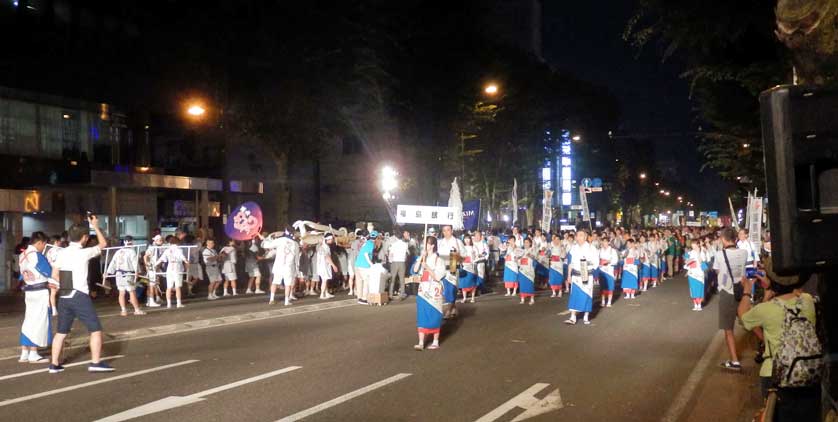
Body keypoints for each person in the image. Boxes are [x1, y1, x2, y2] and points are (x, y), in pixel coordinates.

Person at [738, 258, 820, 421]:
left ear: (771, 281)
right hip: (809, 373)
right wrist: (774, 285)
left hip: (775, 374)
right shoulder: (808, 301)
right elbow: (795, 295)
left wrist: (748, 289)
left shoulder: (766, 309)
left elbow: (743, 316)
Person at [49, 216, 114, 373]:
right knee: (95, 329)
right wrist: (95, 226)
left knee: (61, 332)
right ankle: (96, 363)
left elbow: (54, 274)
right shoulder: (84, 252)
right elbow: (103, 244)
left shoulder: (61, 253)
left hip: (64, 295)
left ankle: (54, 364)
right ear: (85, 238)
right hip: (79, 296)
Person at [714, 227, 749, 371]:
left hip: (727, 292)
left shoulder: (719, 254)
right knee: (749, 321)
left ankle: (734, 361)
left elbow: (717, 271)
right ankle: (767, 348)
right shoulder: (744, 253)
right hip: (742, 291)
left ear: (723, 239)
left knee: (728, 329)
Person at [18, 231, 55, 363]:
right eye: (44, 244)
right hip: (40, 292)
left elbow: (21, 276)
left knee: (28, 321)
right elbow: (50, 272)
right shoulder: (37, 255)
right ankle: (33, 353)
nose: (44, 247)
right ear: (39, 242)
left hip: (29, 291)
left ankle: (24, 353)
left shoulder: (22, 255)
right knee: (39, 322)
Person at [413, 236, 446, 351]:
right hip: (423, 290)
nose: (425, 246)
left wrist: (427, 268)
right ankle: (421, 342)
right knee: (422, 314)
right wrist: (421, 258)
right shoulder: (423, 257)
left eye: (427, 244)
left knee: (434, 314)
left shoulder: (439, 260)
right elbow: (415, 270)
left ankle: (435, 341)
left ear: (432, 245)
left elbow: (438, 276)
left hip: (434, 291)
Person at [565, 231, 599, 325]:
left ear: (585, 237)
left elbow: (596, 263)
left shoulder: (591, 248)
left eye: (581, 235)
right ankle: (572, 317)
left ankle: (586, 316)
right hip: (575, 274)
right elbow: (570, 263)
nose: (579, 237)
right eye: (577, 236)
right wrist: (569, 275)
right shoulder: (574, 248)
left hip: (586, 274)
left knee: (587, 294)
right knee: (574, 295)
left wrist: (587, 263)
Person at [105, 237, 145, 316]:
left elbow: (113, 263)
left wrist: (108, 272)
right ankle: (136, 310)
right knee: (131, 292)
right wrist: (138, 271)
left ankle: (123, 310)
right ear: (130, 242)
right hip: (128, 274)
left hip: (118, 274)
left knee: (121, 292)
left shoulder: (118, 251)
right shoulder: (131, 252)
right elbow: (134, 263)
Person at [261, 230, 300, 306]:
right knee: (287, 284)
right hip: (289, 266)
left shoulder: (280, 240)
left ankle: (271, 299)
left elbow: (266, 245)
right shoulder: (295, 244)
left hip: (278, 265)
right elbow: (297, 258)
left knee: (275, 281)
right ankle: (286, 301)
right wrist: (297, 269)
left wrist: (266, 239)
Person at [436, 225, 463, 319]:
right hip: (442, 268)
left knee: (452, 289)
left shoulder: (457, 241)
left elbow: (463, 254)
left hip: (453, 266)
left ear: (451, 231)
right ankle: (454, 308)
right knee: (446, 290)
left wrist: (457, 257)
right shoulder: (440, 242)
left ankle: (448, 311)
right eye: (444, 230)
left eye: (448, 230)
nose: (446, 232)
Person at [156, 236, 189, 309]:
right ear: (177, 242)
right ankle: (178, 303)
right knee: (177, 287)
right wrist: (186, 262)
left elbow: (161, 259)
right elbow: (182, 256)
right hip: (177, 267)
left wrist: (155, 264)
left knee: (169, 287)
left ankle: (169, 304)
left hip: (170, 267)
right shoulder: (179, 249)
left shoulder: (167, 250)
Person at [353, 230, 378, 305]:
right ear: (376, 238)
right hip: (364, 265)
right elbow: (366, 254)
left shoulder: (366, 242)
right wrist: (371, 264)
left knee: (359, 281)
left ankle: (359, 297)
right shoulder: (371, 244)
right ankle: (364, 299)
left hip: (357, 264)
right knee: (366, 281)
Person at [315, 234, 339, 300]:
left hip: (323, 265)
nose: (332, 240)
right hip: (324, 266)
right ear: (328, 239)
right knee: (324, 280)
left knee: (325, 279)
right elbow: (327, 257)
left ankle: (326, 293)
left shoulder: (323, 246)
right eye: (331, 239)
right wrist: (333, 265)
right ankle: (322, 294)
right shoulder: (325, 247)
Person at [684, 242, 707, 311]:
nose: (693, 247)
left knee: (699, 288)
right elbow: (686, 261)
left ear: (698, 244)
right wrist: (687, 260)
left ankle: (699, 304)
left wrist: (698, 254)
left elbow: (702, 261)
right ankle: (695, 304)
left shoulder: (702, 252)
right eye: (692, 246)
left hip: (699, 273)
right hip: (692, 272)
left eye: (695, 245)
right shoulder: (690, 252)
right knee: (693, 289)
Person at [387, 231, 409, 300]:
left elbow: (390, 254)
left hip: (395, 262)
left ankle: (390, 294)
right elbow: (407, 254)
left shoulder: (393, 244)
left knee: (392, 279)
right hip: (402, 262)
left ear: (396, 237)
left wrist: (390, 261)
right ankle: (402, 294)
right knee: (402, 279)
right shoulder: (405, 244)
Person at [143, 235, 164, 307]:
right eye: (160, 240)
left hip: (155, 268)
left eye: (161, 240)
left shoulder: (159, 248)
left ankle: (149, 300)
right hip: (152, 268)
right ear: (156, 241)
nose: (161, 241)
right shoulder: (152, 248)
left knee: (151, 284)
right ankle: (151, 300)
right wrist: (147, 266)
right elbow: (145, 256)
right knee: (151, 285)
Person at [598, 238, 619, 308]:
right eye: (603, 242)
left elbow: (616, 260)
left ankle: (609, 301)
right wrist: (600, 263)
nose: (604, 243)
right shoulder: (600, 250)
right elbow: (597, 260)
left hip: (609, 270)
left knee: (610, 286)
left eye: (605, 242)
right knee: (602, 286)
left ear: (608, 243)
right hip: (602, 270)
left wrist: (609, 261)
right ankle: (603, 301)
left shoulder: (612, 251)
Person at [517, 237, 537, 305]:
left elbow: (534, 257)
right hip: (522, 269)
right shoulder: (521, 251)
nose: (526, 244)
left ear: (530, 243)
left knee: (530, 284)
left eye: (527, 242)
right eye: (525, 242)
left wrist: (530, 255)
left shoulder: (532, 250)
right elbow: (518, 259)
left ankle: (532, 298)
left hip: (530, 270)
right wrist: (517, 259)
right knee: (522, 284)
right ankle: (522, 298)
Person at [458, 235, 478, 303]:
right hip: (464, 267)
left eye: (468, 239)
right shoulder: (462, 248)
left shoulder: (473, 247)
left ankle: (472, 297)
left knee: (472, 283)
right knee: (464, 283)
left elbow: (477, 255)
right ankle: (464, 298)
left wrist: (474, 260)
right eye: (465, 239)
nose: (467, 240)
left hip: (471, 267)